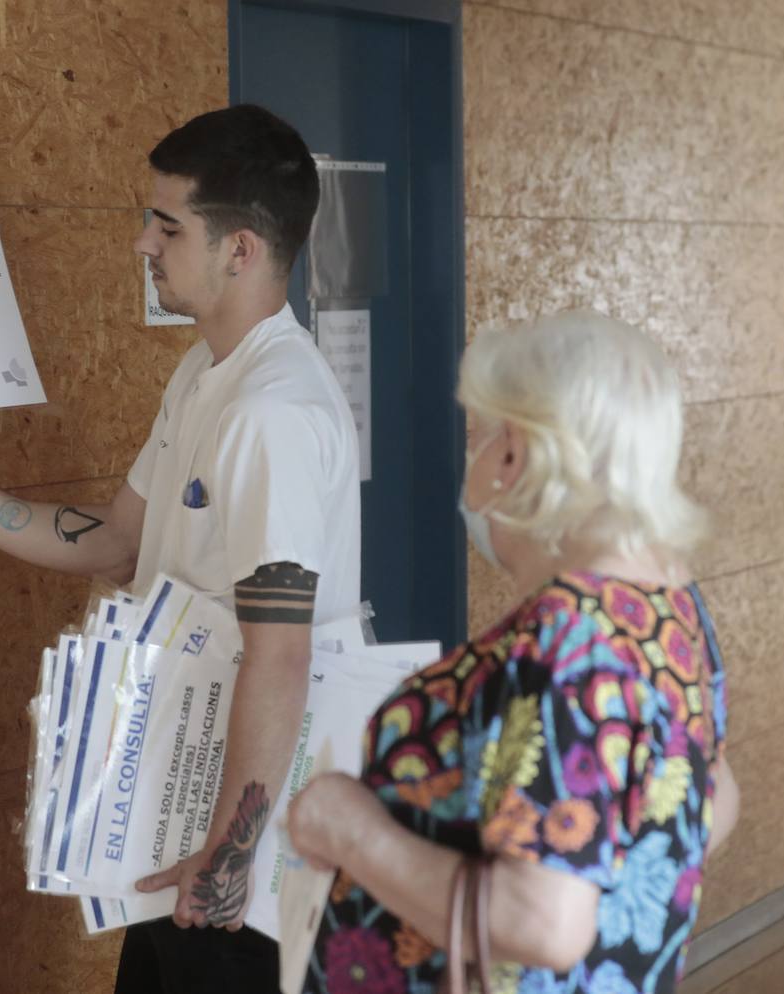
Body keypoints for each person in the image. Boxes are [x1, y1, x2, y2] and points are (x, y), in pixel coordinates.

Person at [0, 104, 361, 994]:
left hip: (244, 864)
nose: (144, 243)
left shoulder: (272, 413)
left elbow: (282, 652)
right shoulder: (205, 375)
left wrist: (227, 854)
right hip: (183, 823)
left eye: (167, 224)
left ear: (240, 249)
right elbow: (118, 542)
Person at [287, 310, 740, 994]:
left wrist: (346, 828)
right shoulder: (669, 602)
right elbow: (713, 798)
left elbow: (545, 925)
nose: (469, 465)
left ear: (514, 454)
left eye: (476, 437)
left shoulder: (571, 640)